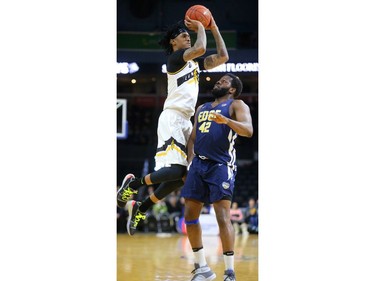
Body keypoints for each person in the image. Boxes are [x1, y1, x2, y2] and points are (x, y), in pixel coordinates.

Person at [117, 13, 229, 236]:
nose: (187, 36)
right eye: (182, 35)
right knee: (177, 170)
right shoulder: (175, 60)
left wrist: (213, 26)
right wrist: (199, 26)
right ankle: (133, 184)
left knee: (183, 177)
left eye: (188, 34)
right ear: (172, 42)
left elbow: (223, 57)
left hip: (186, 121)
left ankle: (142, 206)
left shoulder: (195, 65)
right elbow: (199, 49)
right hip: (172, 116)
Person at [181, 73, 253, 281]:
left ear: (232, 89)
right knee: (190, 217)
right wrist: (189, 163)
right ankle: (202, 268)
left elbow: (248, 130)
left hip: (221, 166)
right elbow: (193, 138)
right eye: (218, 80)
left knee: (222, 217)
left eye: (224, 81)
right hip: (198, 166)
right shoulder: (202, 109)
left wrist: (227, 121)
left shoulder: (236, 105)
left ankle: (229, 272)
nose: (218, 82)